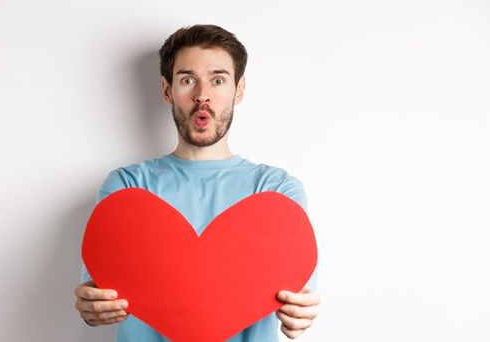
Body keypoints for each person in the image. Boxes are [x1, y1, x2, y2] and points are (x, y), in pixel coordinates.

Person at [74, 24, 320, 341]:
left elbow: (298, 296)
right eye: (188, 80)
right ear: (167, 90)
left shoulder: (276, 193)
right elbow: (97, 292)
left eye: (217, 80)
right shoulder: (127, 188)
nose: (202, 94)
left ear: (239, 90)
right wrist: (92, 308)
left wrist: (299, 314)